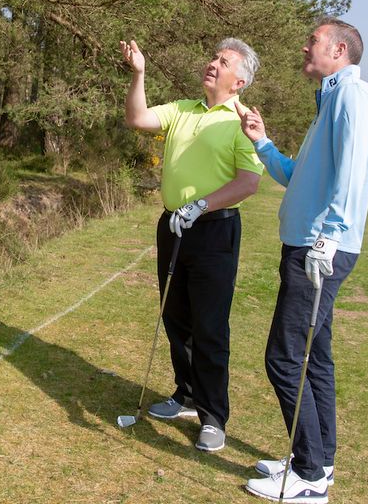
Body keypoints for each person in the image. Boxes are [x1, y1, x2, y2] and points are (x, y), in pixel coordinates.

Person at [235, 17, 368, 503]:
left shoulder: (353, 96)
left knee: (283, 356)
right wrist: (262, 142)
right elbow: (302, 177)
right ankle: (320, 460)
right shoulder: (330, 100)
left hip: (317, 249)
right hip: (310, 245)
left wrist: (329, 237)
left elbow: (354, 170)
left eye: (313, 41)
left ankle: (310, 477)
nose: (305, 46)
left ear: (339, 50)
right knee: (315, 357)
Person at [121, 37, 265, 454]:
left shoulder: (241, 121)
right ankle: (184, 395)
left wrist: (201, 205)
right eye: (214, 58)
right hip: (173, 226)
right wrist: (139, 73)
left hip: (214, 229)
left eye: (224, 62)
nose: (213, 64)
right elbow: (138, 118)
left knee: (210, 326)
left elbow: (249, 182)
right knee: (176, 316)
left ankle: (213, 416)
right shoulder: (184, 108)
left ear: (239, 81)